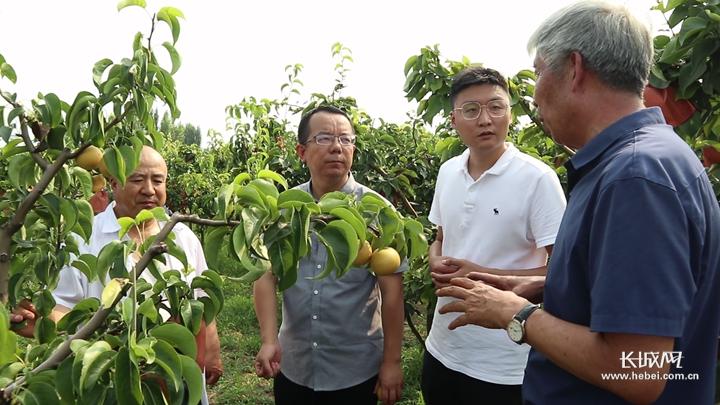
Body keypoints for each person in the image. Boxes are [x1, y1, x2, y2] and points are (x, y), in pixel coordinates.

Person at [437, 2, 720, 404]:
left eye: (537, 73)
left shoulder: (635, 178)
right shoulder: (646, 158)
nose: (533, 97)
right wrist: (549, 286)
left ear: (574, 69)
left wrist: (513, 313)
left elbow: (636, 368)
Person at [11, 146, 223, 403]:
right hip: (112, 378)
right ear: (113, 183)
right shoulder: (84, 239)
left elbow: (201, 304)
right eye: (136, 179)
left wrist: (212, 353)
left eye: (158, 180)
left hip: (174, 378)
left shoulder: (183, 237)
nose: (149, 189)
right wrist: (44, 323)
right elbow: (64, 305)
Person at [422, 66, 566, 405]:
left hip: (505, 363)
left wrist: (482, 275)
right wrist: (435, 258)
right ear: (454, 120)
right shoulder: (448, 172)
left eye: (495, 107)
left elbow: (561, 269)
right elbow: (441, 236)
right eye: (471, 110)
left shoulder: (537, 179)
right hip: (443, 348)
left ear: (510, 114)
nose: (485, 119)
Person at [253, 105, 405, 405]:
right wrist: (269, 340)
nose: (337, 147)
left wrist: (392, 362)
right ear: (301, 151)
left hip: (355, 368)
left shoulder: (378, 212)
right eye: (324, 138)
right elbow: (265, 277)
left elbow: (392, 292)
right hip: (294, 364)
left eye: (345, 140)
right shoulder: (283, 210)